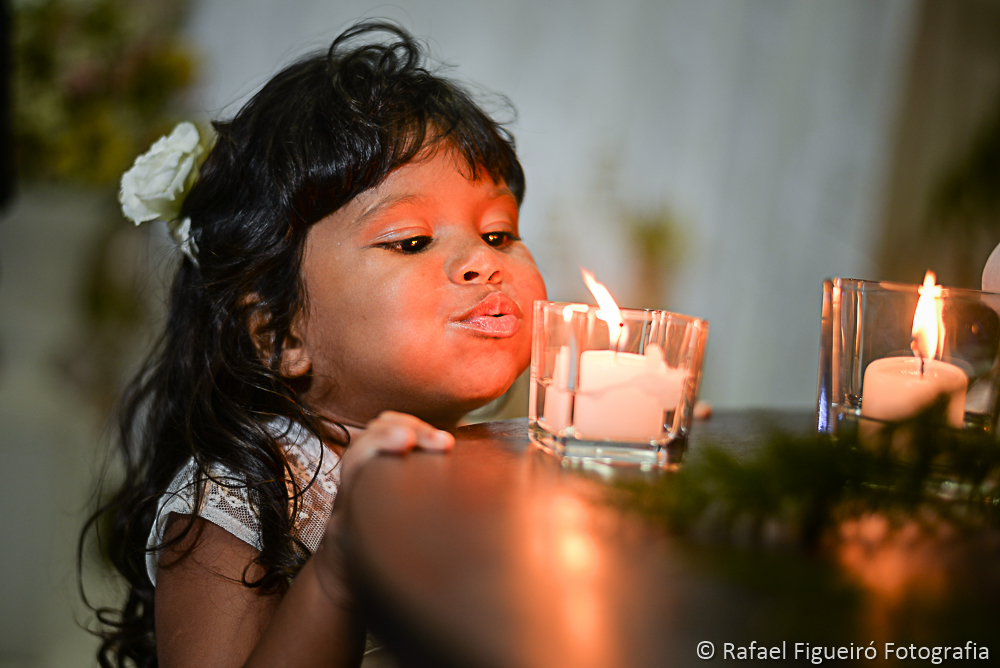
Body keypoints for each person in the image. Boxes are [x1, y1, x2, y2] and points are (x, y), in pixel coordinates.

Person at [82, 20, 547, 668]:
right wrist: (340, 566)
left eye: (499, 233)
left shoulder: (501, 457)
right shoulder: (244, 497)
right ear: (279, 332)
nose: (481, 261)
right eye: (411, 240)